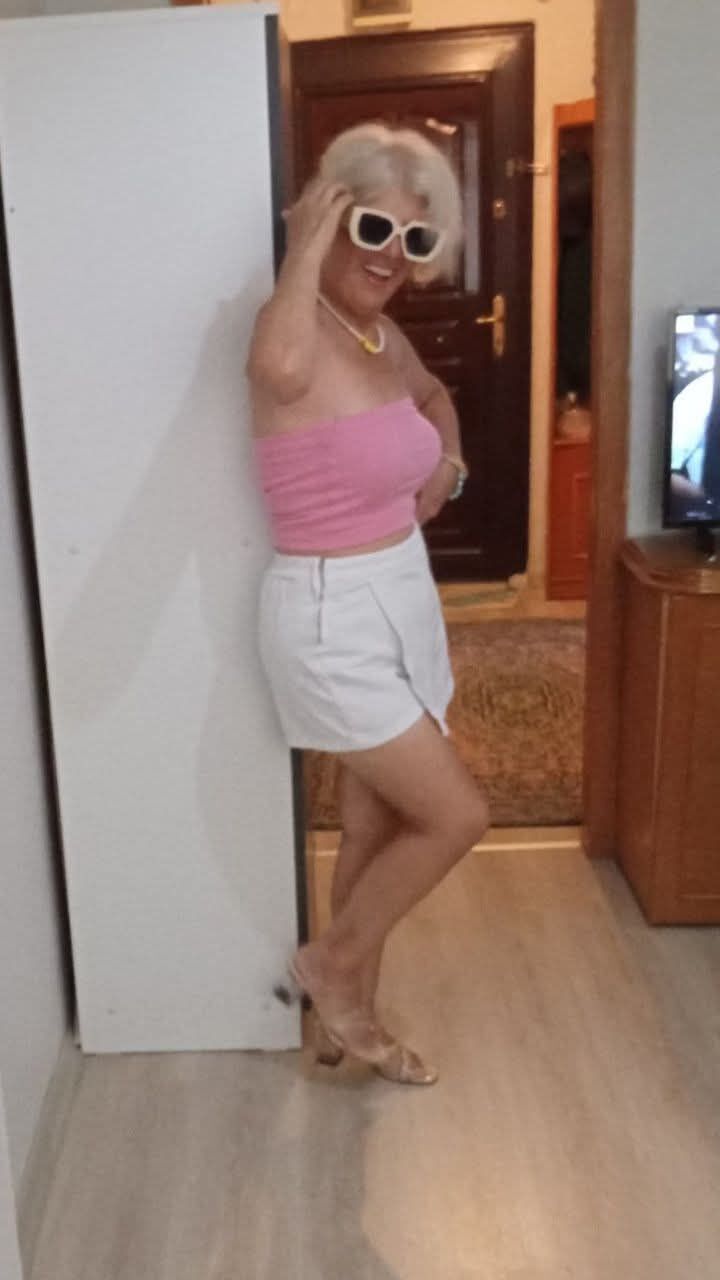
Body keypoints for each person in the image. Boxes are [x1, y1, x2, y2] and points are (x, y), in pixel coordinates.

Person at [247, 122, 490, 1086]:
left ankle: (347, 1025)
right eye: (374, 226)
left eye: (415, 239)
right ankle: (334, 966)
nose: (393, 254)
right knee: (455, 816)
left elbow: (434, 401)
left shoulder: (383, 338)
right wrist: (306, 242)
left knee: (378, 824)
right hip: (329, 616)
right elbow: (277, 375)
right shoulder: (294, 327)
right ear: (334, 217)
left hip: (399, 594)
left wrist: (451, 463)